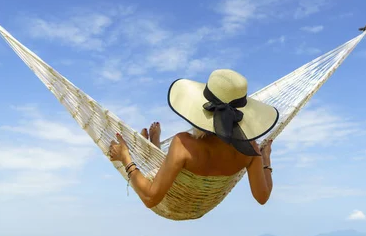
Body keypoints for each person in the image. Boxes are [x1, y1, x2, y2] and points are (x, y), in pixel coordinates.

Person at [108, 69, 279, 209]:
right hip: (200, 209)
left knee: (158, 170)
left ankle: (152, 151)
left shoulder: (183, 144)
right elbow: (262, 197)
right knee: (170, 164)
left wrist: (125, 158)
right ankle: (154, 149)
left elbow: (151, 198)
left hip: (171, 202)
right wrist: (266, 158)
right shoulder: (250, 149)